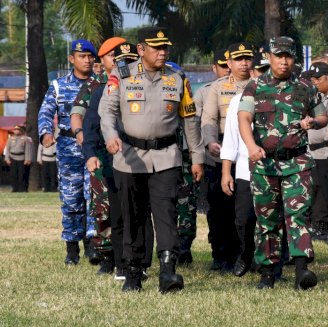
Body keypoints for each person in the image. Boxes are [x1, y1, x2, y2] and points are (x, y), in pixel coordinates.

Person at [100, 27, 204, 292]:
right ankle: (133, 272)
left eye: (165, 48)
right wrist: (111, 136)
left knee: (166, 213)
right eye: (156, 48)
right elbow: (108, 112)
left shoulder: (177, 77)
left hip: (166, 156)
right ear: (141, 50)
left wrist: (196, 157)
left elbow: (190, 119)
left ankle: (168, 272)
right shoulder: (120, 75)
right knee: (132, 214)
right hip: (129, 158)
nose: (162, 52)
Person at [238, 36, 327, 290]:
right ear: (270, 57)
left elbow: (322, 116)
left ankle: (302, 271)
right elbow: (244, 118)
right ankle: (268, 272)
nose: (284, 61)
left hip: (297, 162)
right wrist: (251, 146)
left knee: (298, 216)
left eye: (288, 56)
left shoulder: (306, 88)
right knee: (267, 219)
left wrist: (314, 122)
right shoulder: (255, 87)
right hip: (265, 166)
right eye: (279, 56)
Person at [82, 41, 141, 279]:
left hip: (140, 160)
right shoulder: (100, 91)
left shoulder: (146, 87)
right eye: (120, 63)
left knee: (137, 213)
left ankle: (139, 261)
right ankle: (114, 260)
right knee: (111, 213)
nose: (125, 67)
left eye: (130, 62)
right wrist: (91, 154)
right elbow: (91, 127)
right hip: (110, 160)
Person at [38, 39, 96, 265]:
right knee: (72, 200)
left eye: (91, 56)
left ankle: (93, 245)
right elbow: (45, 111)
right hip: (68, 149)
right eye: (82, 56)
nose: (87, 60)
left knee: (93, 196)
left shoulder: (99, 83)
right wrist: (45, 133)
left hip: (93, 148)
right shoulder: (59, 86)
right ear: (72, 59)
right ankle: (72, 248)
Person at [201, 42, 256, 271]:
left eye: (247, 58)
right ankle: (222, 254)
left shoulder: (259, 86)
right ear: (229, 63)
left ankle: (247, 254)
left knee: (249, 209)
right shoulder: (218, 87)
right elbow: (209, 119)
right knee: (221, 208)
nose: (244, 63)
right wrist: (210, 142)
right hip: (223, 149)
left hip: (250, 152)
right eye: (238, 59)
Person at [220, 50, 270, 277]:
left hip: (274, 170)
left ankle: (269, 260)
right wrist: (226, 172)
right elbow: (230, 139)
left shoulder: (283, 98)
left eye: (267, 71)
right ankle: (246, 253)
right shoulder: (239, 101)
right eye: (260, 72)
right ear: (253, 73)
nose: (263, 76)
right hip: (245, 170)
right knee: (244, 218)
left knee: (271, 218)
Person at [193, 48, 231, 268]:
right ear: (214, 68)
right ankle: (219, 253)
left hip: (241, 158)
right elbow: (197, 126)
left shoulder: (247, 88)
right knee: (216, 209)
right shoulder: (205, 92)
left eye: (229, 64)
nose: (227, 69)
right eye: (222, 65)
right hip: (213, 158)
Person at [307, 62, 328, 243]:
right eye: (313, 79)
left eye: (319, 78)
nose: (315, 82)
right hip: (314, 153)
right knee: (317, 190)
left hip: (327, 151)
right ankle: (320, 224)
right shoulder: (316, 97)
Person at [4, 125, 32, 193]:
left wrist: (27, 159)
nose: (16, 131)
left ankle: (22, 188)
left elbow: (27, 149)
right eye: (15, 130)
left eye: (18, 130)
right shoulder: (10, 139)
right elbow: (7, 149)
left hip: (22, 158)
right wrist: (7, 158)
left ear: (20, 131)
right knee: (13, 174)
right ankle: (14, 188)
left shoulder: (25, 139)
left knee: (21, 174)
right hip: (12, 157)